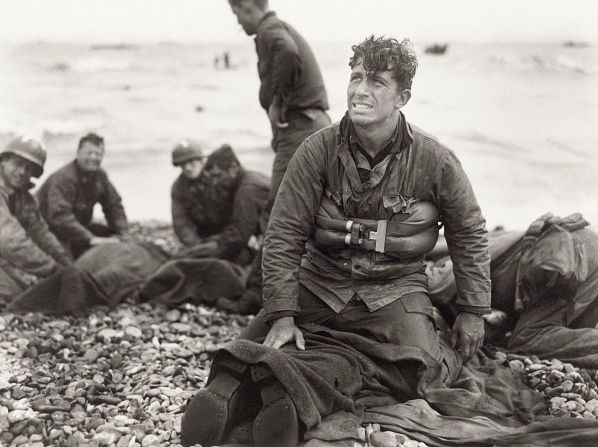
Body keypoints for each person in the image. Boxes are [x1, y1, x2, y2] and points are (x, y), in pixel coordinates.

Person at [183, 35, 491, 446]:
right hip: (320, 283)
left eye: (377, 82)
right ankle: (238, 394)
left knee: (419, 373)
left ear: (403, 96)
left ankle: (285, 388)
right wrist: (282, 313)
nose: (360, 90)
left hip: (393, 292)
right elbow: (283, 234)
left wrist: (473, 309)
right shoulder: (316, 151)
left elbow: (468, 231)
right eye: (356, 77)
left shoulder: (434, 159)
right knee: (253, 343)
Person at [427, 213, 598, 371]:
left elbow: (433, 283)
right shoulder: (493, 248)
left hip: (566, 258)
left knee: (527, 338)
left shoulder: (457, 265)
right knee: (569, 336)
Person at [227, 0, 331, 203]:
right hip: (312, 123)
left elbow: (288, 52)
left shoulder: (268, 29)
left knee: (279, 208)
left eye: (236, 13)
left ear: (248, 7)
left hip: (301, 126)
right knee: (308, 205)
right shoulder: (276, 27)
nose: (238, 22)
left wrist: (277, 102)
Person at [170, 141, 269, 265]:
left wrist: (248, 236)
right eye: (183, 165)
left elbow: (245, 215)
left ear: (201, 160)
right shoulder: (179, 187)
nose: (188, 168)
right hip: (208, 236)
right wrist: (197, 246)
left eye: (191, 162)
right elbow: (181, 223)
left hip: (232, 232)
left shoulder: (222, 175)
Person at [0, 136, 72, 305]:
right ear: (4, 161)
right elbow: (10, 241)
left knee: (24, 293)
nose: (22, 172)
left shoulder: (22, 197)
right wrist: (52, 269)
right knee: (13, 297)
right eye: (18, 164)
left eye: (28, 169)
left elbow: (40, 232)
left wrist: (66, 264)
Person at [36, 133, 129, 259]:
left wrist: (124, 233)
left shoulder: (100, 176)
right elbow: (60, 217)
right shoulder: (64, 178)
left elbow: (114, 205)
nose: (93, 157)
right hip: (48, 231)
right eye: (89, 153)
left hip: (77, 228)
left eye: (98, 154)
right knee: (67, 266)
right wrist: (90, 238)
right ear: (78, 152)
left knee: (119, 240)